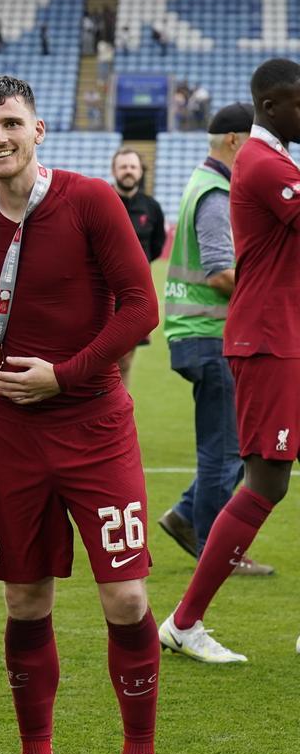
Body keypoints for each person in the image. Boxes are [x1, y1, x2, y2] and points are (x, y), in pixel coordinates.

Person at [0, 76, 166, 754]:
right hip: (13, 434)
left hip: (94, 427)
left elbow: (141, 304)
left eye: (10, 123)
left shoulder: (89, 200)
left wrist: (67, 375)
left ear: (38, 130)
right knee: (23, 596)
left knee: (127, 594)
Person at [159, 58, 300, 663]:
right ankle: (184, 622)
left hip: (283, 336)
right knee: (263, 482)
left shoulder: (275, 159)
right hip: (269, 342)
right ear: (270, 107)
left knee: (261, 479)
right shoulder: (265, 164)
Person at [158, 103, 273, 578]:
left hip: (195, 335)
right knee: (225, 451)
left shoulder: (203, 184)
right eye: (255, 144)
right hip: (209, 335)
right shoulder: (218, 193)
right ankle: (214, 548)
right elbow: (220, 272)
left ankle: (186, 518)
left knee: (224, 446)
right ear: (233, 141)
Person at [111, 147, 164, 387]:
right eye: (123, 167)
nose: (128, 171)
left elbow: (157, 246)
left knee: (125, 360)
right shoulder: (102, 201)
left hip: (135, 295)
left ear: (141, 171)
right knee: (100, 360)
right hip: (104, 294)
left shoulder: (152, 207)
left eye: (133, 167)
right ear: (114, 171)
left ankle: (119, 413)